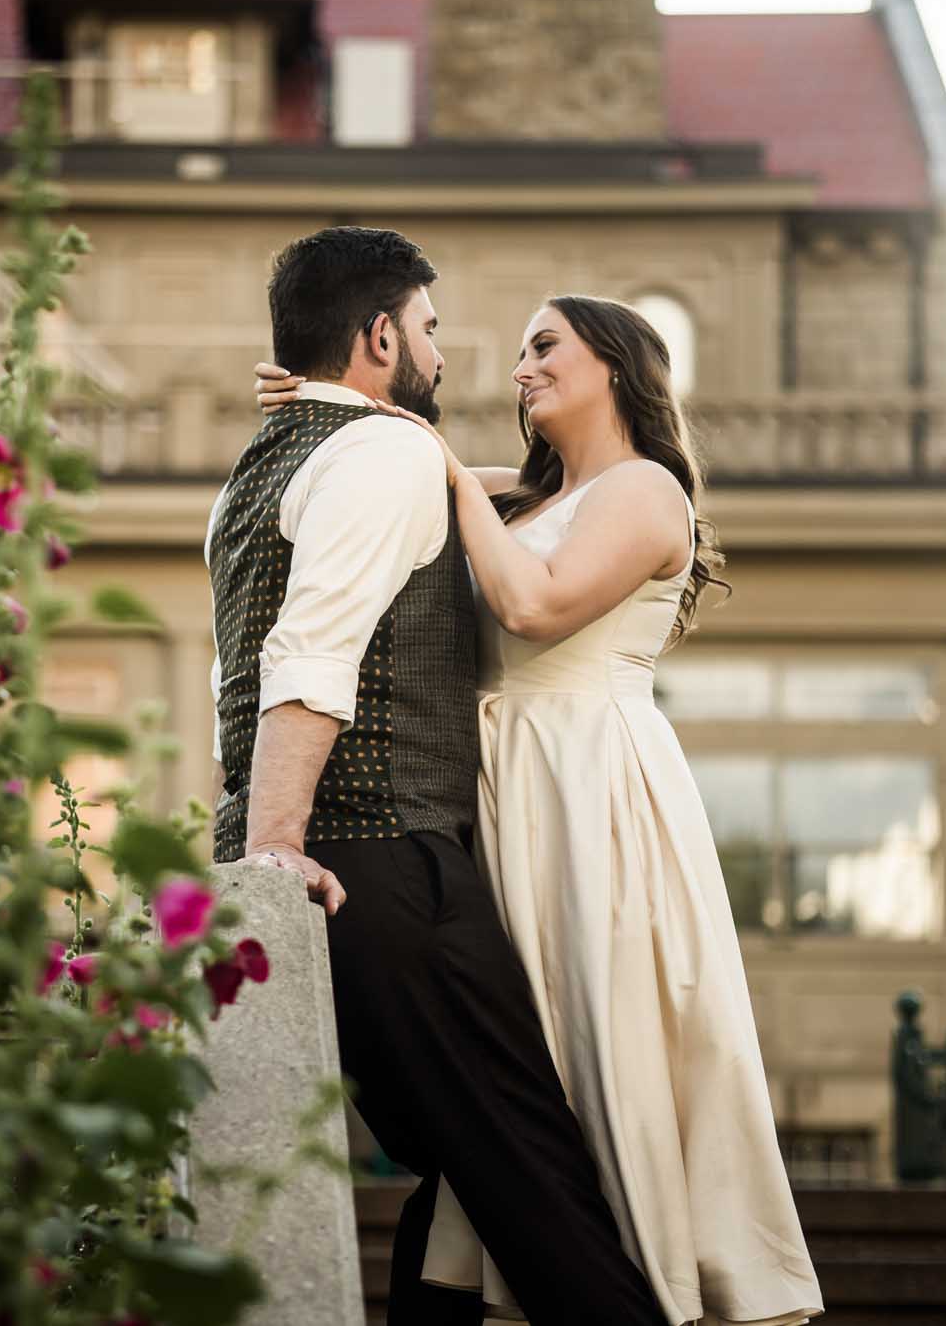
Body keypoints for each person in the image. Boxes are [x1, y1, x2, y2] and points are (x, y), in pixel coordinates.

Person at [253, 294, 825, 1326]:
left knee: (593, 1045)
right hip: (499, 796)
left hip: (588, 794)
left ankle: (636, 1280)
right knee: (506, 1074)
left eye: (542, 346)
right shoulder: (516, 494)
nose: (519, 368)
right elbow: (390, 465)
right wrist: (330, 403)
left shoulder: (645, 491)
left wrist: (428, 453)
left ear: (613, 361)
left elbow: (534, 604)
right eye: (518, 353)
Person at [209, 228, 666, 1326]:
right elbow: (304, 658)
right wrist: (277, 844)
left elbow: (237, 667)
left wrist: (252, 853)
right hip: (384, 863)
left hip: (308, 868)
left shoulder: (251, 474)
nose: (451, 357)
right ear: (377, 336)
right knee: (531, 1170)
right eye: (425, 329)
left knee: (461, 1179)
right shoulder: (383, 456)